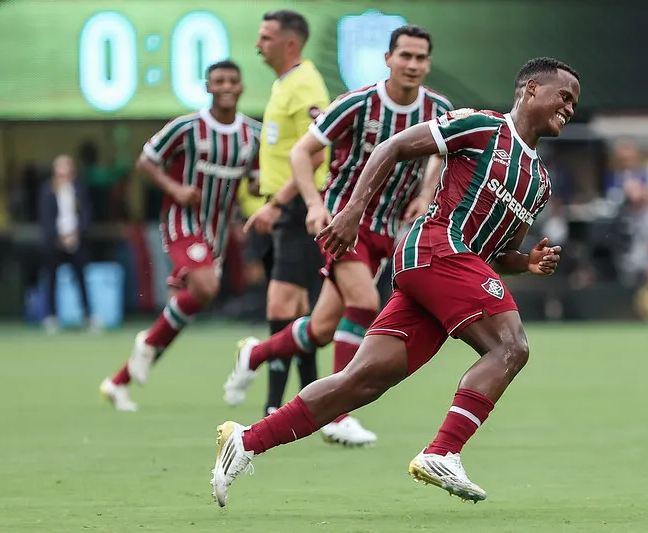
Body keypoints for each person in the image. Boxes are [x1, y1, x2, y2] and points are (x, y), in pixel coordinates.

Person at [210, 57, 577, 507]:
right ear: (531, 89)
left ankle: (245, 441)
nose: (569, 108)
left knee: (361, 382)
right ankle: (443, 452)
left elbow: (497, 255)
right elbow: (392, 147)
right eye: (564, 96)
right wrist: (353, 210)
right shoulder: (482, 127)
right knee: (511, 346)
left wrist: (527, 262)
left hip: (450, 269)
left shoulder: (539, 182)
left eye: (574, 103)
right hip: (435, 248)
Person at [223, 24, 453, 447]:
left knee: (322, 327)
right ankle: (337, 415)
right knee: (364, 303)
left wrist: (425, 194)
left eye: (420, 58)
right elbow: (301, 151)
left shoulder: (439, 108)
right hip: (344, 222)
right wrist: (314, 205)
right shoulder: (358, 103)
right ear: (388, 59)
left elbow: (440, 153)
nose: (412, 64)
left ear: (428, 63)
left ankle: (254, 354)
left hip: (386, 229)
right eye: (405, 55)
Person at [99, 60, 262, 412]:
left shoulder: (253, 134)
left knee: (179, 314)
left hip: (217, 231)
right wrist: (175, 188)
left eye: (233, 80)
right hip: (182, 222)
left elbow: (255, 178)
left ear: (241, 87)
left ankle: (119, 382)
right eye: (219, 81)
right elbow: (146, 162)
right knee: (207, 287)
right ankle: (145, 347)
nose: (226, 86)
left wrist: (260, 188)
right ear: (208, 87)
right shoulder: (186, 128)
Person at [245, 10, 331, 415]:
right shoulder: (286, 83)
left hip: (297, 207)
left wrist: (278, 202)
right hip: (285, 205)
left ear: (290, 43)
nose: (258, 43)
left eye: (266, 37)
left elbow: (315, 154)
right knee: (295, 309)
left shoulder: (305, 84)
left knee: (281, 304)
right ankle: (310, 404)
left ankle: (273, 407)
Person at [38, 154, 94, 333]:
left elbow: (86, 214)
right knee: (51, 279)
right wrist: (58, 237)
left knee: (81, 278)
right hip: (55, 242)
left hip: (76, 240)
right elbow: (45, 218)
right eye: (60, 173)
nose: (64, 177)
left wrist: (77, 234)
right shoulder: (47, 191)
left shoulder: (78, 190)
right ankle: (51, 316)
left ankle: (88, 315)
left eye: (67, 173)